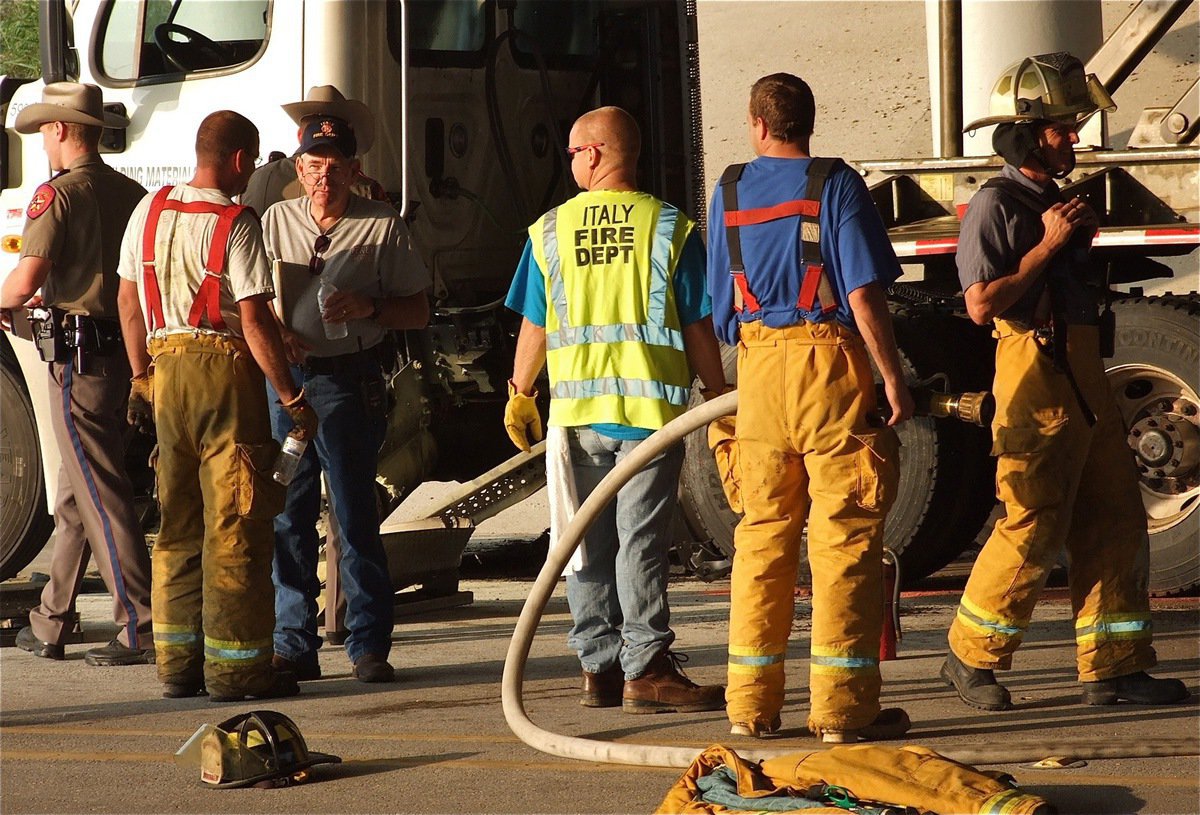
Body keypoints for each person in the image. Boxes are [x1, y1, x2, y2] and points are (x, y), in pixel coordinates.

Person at [944, 52, 1188, 711]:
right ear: (1027, 134)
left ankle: (1113, 667)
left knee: (1114, 513)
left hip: (1080, 373)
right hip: (1032, 372)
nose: (1074, 139)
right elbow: (981, 303)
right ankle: (969, 658)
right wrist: (1047, 246)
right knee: (1033, 520)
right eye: (1062, 129)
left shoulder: (1052, 201)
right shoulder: (995, 205)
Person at [706, 73, 914, 743]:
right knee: (844, 539)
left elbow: (719, 312)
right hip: (828, 370)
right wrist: (891, 377)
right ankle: (842, 711)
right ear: (809, 122)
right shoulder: (836, 184)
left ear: (757, 124)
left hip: (760, 375)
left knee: (762, 540)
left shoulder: (729, 191)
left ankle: (750, 706)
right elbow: (862, 294)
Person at [505, 106, 728, 714]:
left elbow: (536, 320)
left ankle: (598, 668)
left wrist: (520, 392)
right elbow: (697, 323)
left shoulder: (550, 230)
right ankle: (646, 668)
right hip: (650, 419)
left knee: (582, 545)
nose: (571, 163)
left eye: (575, 153)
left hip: (575, 418)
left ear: (597, 155)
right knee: (640, 545)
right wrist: (717, 398)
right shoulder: (668, 227)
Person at [116, 110, 317, 702]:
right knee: (235, 524)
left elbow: (129, 302)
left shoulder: (148, 211)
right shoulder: (237, 221)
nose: (252, 171)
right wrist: (291, 396)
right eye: (252, 161)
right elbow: (253, 319)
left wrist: (140, 377)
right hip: (223, 379)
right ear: (237, 159)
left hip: (164, 375)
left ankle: (177, 666)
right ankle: (235, 671)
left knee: (176, 523)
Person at [261, 115, 430, 683]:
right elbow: (252, 302)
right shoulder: (275, 221)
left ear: (355, 171)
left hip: (350, 380)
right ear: (298, 167)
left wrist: (370, 309)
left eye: (335, 167)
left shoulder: (382, 226)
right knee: (289, 513)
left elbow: (419, 310)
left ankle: (367, 645)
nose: (323, 178)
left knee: (355, 514)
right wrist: (277, 332)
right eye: (313, 166)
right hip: (287, 383)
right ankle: (293, 642)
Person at [0, 83, 153, 667]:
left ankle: (139, 622)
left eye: (44, 129)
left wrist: (6, 299)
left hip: (77, 359)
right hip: (118, 356)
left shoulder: (58, 196)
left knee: (99, 490)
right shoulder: (131, 192)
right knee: (75, 493)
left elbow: (25, 278)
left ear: (62, 130)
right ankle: (52, 618)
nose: (42, 139)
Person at [242, 85, 386, 215]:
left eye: (334, 167)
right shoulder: (366, 189)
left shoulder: (256, 178)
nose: (324, 178)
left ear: (299, 136)